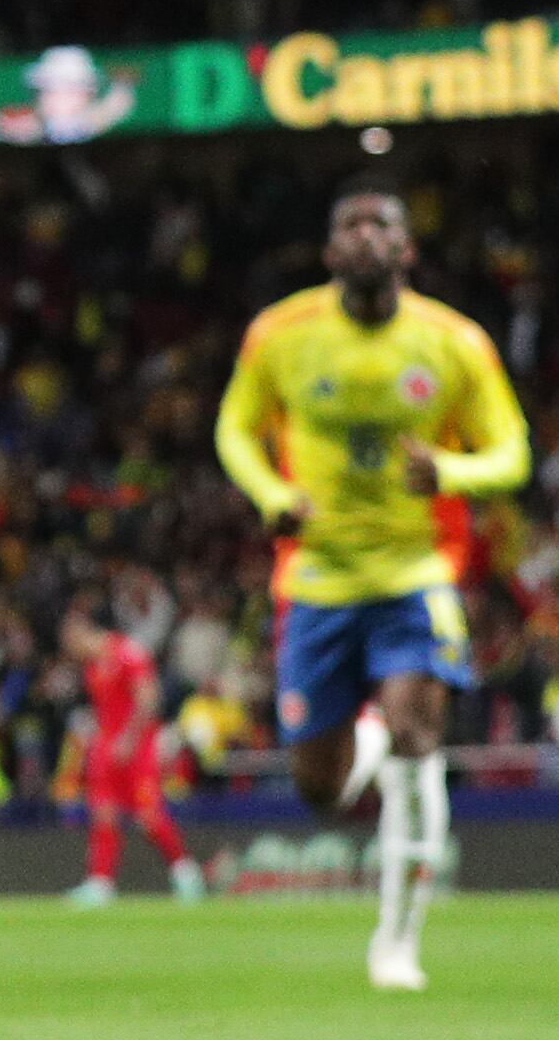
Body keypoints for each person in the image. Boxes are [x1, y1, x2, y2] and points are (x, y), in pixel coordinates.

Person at [215, 186, 529, 991]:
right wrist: (271, 497)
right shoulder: (278, 334)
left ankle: (396, 942)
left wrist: (450, 471)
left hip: (415, 572)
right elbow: (233, 429)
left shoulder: (453, 341)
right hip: (315, 579)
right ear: (328, 253)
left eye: (380, 224)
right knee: (320, 787)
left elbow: (512, 451)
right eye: (347, 224)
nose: (363, 236)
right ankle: (378, 730)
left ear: (405, 250)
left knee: (420, 737)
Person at [60, 607, 201, 906]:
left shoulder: (129, 653)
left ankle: (185, 872)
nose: (71, 651)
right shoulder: (93, 666)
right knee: (103, 813)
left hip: (137, 747)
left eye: (72, 642)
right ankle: (101, 882)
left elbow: (149, 697)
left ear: (84, 632)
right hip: (106, 747)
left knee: (149, 815)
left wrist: (130, 737)